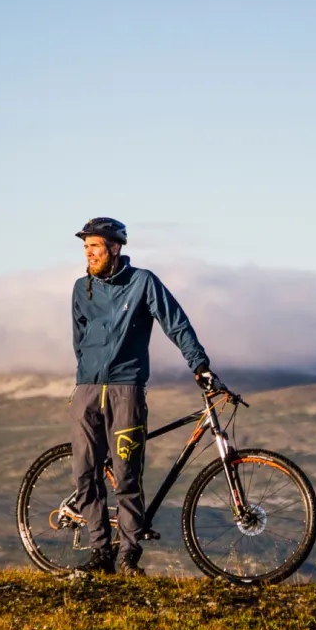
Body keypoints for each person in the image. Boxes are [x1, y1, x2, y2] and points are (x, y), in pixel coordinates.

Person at [69, 217, 216, 577]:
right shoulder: (80, 288)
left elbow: (175, 323)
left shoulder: (143, 282)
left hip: (127, 391)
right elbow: (79, 338)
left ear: (115, 248)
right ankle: (100, 551)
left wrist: (199, 364)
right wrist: (88, 374)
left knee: (127, 475)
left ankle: (129, 556)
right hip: (87, 391)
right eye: (85, 247)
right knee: (86, 475)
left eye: (95, 247)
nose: (89, 254)